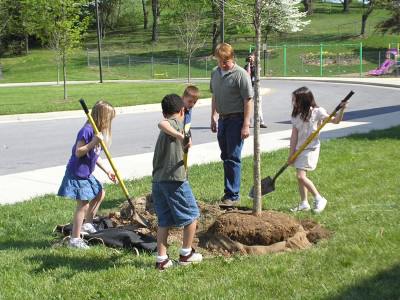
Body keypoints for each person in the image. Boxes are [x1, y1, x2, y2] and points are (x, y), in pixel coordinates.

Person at [152, 94, 202, 270]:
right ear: (181, 110)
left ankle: (162, 259)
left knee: (164, 220)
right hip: (173, 180)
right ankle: (186, 254)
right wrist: (181, 137)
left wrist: (184, 144)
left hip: (158, 180)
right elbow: (161, 123)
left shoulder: (173, 126)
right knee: (192, 215)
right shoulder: (173, 123)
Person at [58, 100, 116, 249]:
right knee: (82, 205)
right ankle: (75, 240)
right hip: (77, 173)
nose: (109, 123)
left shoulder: (98, 132)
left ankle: (88, 223)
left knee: (100, 192)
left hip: (86, 173)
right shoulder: (87, 130)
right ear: (102, 117)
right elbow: (78, 152)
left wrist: (108, 171)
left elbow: (96, 156)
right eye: (108, 119)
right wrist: (93, 141)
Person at [288, 86, 347, 213]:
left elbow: (336, 121)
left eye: (296, 100)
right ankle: (304, 203)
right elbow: (294, 136)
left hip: (310, 148)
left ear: (304, 100)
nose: (294, 102)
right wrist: (291, 153)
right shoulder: (296, 115)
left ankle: (319, 198)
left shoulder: (318, 112)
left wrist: (341, 110)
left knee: (300, 176)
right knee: (300, 177)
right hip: (299, 149)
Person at [210, 43, 254, 208]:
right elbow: (214, 95)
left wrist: (246, 124)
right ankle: (228, 193)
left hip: (236, 120)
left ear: (232, 57)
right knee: (225, 156)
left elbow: (247, 100)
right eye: (220, 60)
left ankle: (233, 196)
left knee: (233, 157)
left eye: (225, 60)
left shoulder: (241, 74)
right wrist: (213, 116)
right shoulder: (215, 73)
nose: (222, 64)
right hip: (222, 119)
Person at [244, 53, 267, 128]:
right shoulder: (246, 67)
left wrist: (254, 63)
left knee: (258, 105)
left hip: (256, 88)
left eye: (252, 58)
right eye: (250, 58)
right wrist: (248, 64)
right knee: (248, 106)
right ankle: (249, 122)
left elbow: (258, 71)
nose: (251, 59)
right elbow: (247, 74)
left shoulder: (257, 66)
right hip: (248, 88)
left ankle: (260, 122)